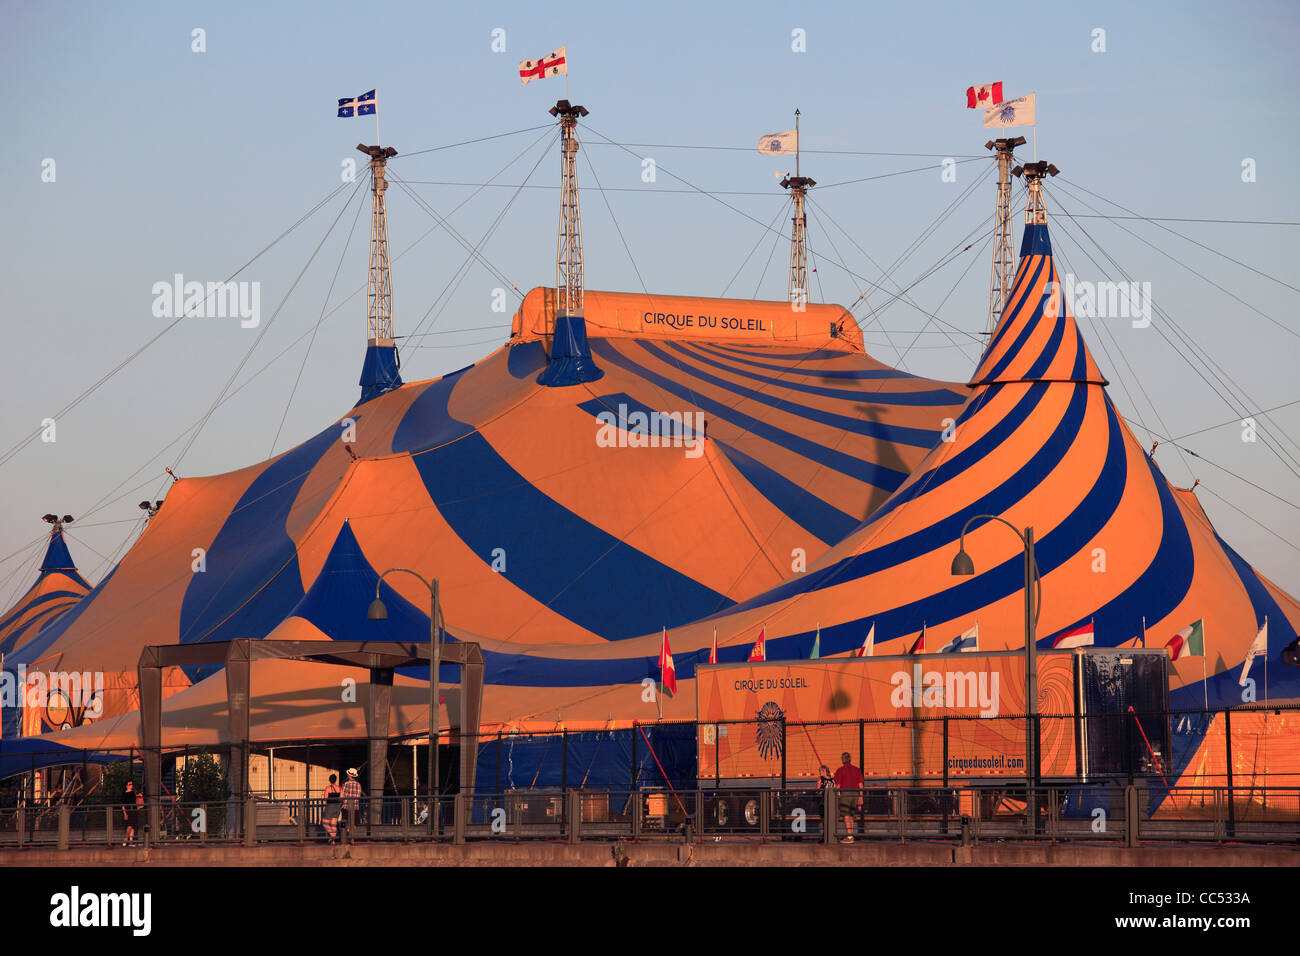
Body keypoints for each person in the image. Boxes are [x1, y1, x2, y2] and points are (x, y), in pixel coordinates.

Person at [832, 752, 864, 844]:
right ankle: (851, 834)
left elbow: (837, 786)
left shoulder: (840, 770)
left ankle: (849, 836)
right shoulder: (857, 769)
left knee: (845, 814)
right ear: (850, 759)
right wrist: (861, 797)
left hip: (845, 794)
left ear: (842, 760)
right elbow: (860, 784)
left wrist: (835, 796)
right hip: (855, 794)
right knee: (851, 815)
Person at [341, 767, 363, 838]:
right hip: (355, 806)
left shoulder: (346, 784)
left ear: (350, 775)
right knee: (353, 823)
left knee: (344, 822)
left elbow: (343, 795)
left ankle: (346, 834)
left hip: (346, 806)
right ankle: (352, 836)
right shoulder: (359, 785)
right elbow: (359, 796)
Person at [321, 774, 342, 844]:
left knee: (325, 823)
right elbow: (342, 798)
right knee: (333, 824)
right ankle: (333, 841)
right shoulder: (339, 788)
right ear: (335, 780)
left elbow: (325, 798)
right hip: (337, 807)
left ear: (329, 780)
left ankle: (333, 836)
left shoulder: (328, 788)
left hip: (330, 806)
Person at [121, 779, 142, 846]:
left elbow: (136, 799)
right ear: (126, 786)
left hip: (134, 810)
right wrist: (124, 813)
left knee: (133, 826)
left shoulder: (133, 792)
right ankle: (126, 839)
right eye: (130, 784)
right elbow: (123, 804)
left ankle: (131, 842)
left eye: (132, 784)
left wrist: (139, 796)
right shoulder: (124, 793)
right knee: (129, 825)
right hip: (128, 810)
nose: (131, 786)